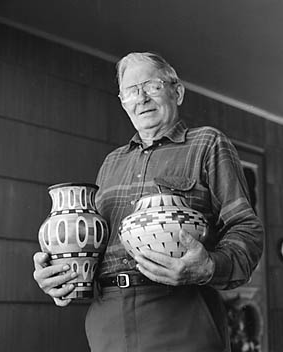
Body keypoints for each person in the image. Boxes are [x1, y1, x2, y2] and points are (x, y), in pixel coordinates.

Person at [33, 52, 264, 352]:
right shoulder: (111, 163)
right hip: (108, 321)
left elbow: (246, 229)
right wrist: (59, 277)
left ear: (176, 92)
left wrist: (209, 267)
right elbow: (93, 254)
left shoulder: (207, 143)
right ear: (123, 102)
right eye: (131, 92)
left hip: (181, 313)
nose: (141, 99)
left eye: (152, 86)